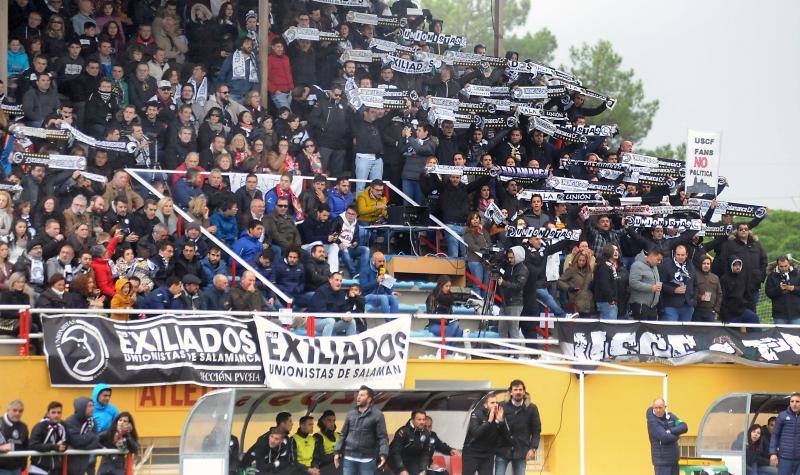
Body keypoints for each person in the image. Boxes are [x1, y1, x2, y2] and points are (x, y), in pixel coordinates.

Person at [334, 386, 389, 475]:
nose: (358, 397)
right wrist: (337, 451)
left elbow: (383, 437)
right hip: (349, 458)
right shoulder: (350, 414)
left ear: (369, 399)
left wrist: (383, 454)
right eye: (358, 395)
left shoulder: (378, 415)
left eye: (362, 395)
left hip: (367, 460)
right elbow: (343, 434)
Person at [389, 409, 457, 475]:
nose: (422, 422)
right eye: (419, 419)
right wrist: (401, 469)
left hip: (413, 462)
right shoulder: (403, 432)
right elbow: (395, 452)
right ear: (412, 420)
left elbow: (425, 454)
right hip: (396, 462)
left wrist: (423, 470)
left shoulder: (426, 433)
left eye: (423, 419)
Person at [495, 381, 541, 475]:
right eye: (515, 389)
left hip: (521, 450)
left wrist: (533, 448)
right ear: (511, 392)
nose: (518, 392)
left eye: (520, 389)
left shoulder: (531, 408)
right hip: (503, 450)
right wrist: (498, 421)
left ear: (524, 392)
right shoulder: (502, 406)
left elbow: (536, 431)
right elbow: (494, 429)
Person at [462, 392, 509, 475]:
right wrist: (489, 422)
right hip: (472, 453)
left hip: (488, 454)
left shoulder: (498, 415)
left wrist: (501, 422)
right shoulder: (476, 414)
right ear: (485, 405)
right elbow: (476, 433)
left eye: (496, 403)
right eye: (492, 403)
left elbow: (506, 437)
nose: (495, 405)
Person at [646, 398, 688, 475]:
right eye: (656, 408)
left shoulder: (671, 417)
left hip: (674, 461)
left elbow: (684, 426)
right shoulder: (652, 422)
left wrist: (671, 431)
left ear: (665, 407)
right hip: (662, 463)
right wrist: (677, 436)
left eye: (660, 407)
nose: (658, 410)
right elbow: (664, 437)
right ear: (653, 408)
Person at [658, 245, 697, 322]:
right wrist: (674, 290)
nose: (680, 257)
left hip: (688, 305)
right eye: (678, 255)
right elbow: (660, 284)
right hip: (671, 305)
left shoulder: (691, 266)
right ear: (674, 254)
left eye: (682, 255)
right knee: (672, 331)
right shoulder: (666, 266)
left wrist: (693, 300)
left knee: (684, 332)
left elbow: (695, 285)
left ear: (686, 255)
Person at [29, 401, 69, 475]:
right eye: (53, 412)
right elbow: (33, 445)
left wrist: (64, 446)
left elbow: (67, 441)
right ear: (48, 413)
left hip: (56, 470)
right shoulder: (40, 426)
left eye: (59, 412)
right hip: (38, 469)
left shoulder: (63, 426)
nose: (56, 415)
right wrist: (54, 447)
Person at [65, 397, 102, 475]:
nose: (92, 408)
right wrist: (90, 435)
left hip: (84, 466)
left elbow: (96, 441)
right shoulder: (70, 422)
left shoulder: (92, 422)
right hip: (68, 467)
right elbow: (76, 441)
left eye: (93, 406)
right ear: (81, 407)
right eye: (89, 406)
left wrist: (82, 447)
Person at [497, 246, 529, 338]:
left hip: (515, 303)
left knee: (513, 331)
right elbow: (506, 276)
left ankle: (515, 352)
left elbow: (518, 286)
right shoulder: (510, 267)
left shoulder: (523, 269)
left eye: (512, 258)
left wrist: (504, 283)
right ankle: (503, 351)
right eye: (509, 257)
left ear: (518, 256)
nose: (509, 260)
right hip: (505, 301)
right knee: (501, 329)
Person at [769, 392, 800, 475]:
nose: (794, 404)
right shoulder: (782, 416)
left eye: (797, 401)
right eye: (792, 401)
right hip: (785, 458)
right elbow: (775, 435)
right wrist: (773, 453)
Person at [629, 249, 663, 320]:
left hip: (652, 306)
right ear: (652, 256)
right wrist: (650, 287)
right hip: (641, 306)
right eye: (658, 259)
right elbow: (633, 282)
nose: (659, 262)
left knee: (651, 330)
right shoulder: (637, 265)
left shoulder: (654, 267)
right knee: (641, 330)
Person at [765, 256, 800, 325]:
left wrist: (793, 288)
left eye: (785, 266)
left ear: (789, 264)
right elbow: (768, 293)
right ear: (777, 265)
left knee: (796, 335)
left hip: (796, 313)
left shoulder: (797, 274)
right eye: (781, 266)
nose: (784, 268)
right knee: (780, 335)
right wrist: (779, 288)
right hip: (779, 315)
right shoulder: (772, 276)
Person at [0, 400, 28, 475]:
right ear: (8, 410)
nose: (17, 413)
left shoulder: (23, 427)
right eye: (14, 410)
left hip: (17, 468)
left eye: (20, 411)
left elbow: (25, 446)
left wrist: (23, 465)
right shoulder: (0, 424)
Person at [694, 256, 722, 323]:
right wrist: (700, 297)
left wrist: (716, 309)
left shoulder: (715, 277)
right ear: (700, 264)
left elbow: (720, 294)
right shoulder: (695, 276)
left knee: (711, 332)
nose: (706, 265)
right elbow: (691, 292)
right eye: (704, 263)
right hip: (697, 311)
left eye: (708, 264)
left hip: (711, 312)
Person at [313, 410, 339, 475]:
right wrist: (338, 454)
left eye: (334, 420)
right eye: (329, 420)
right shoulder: (318, 437)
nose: (332, 423)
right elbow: (322, 458)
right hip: (325, 467)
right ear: (323, 421)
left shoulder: (339, 435)